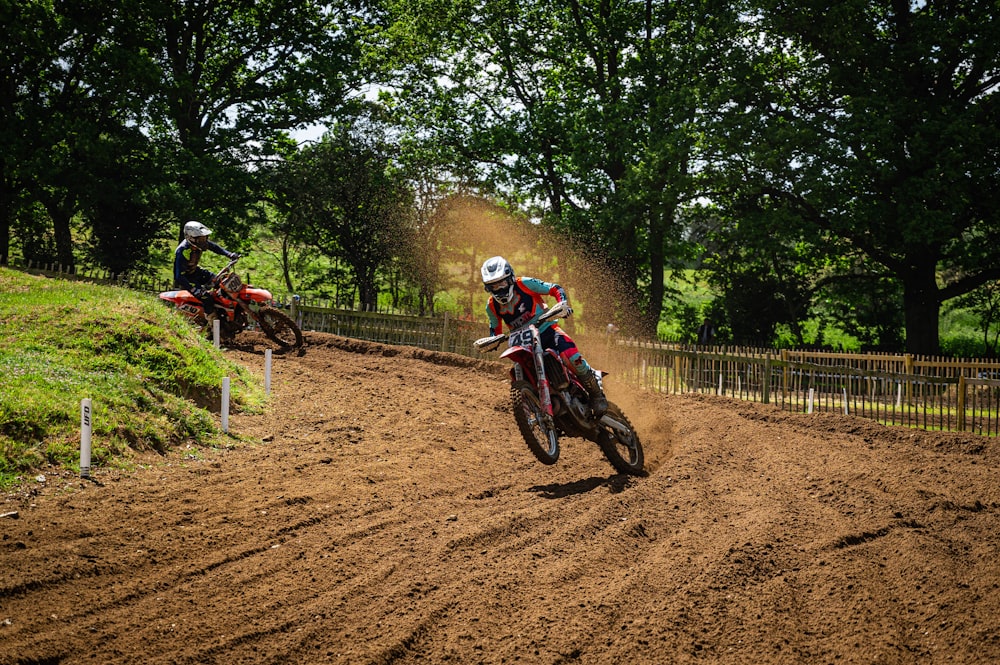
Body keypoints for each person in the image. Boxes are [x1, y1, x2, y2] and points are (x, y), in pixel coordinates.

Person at [480, 256, 607, 415]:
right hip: (523, 343)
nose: (499, 289)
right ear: (488, 288)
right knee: (523, 370)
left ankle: (596, 394)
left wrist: (562, 304)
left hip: (547, 330)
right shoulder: (491, 306)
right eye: (493, 286)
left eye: (502, 283)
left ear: (510, 278)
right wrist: (493, 340)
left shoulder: (524, 284)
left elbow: (555, 288)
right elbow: (495, 330)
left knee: (572, 357)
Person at [173, 221, 240, 327]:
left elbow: (214, 247)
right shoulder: (182, 251)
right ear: (191, 238)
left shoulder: (199, 244)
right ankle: (214, 327)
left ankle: (227, 314)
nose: (204, 241)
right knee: (206, 298)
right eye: (201, 239)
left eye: (205, 238)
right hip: (187, 279)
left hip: (197, 272)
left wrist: (229, 254)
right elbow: (178, 276)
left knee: (221, 281)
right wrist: (194, 290)